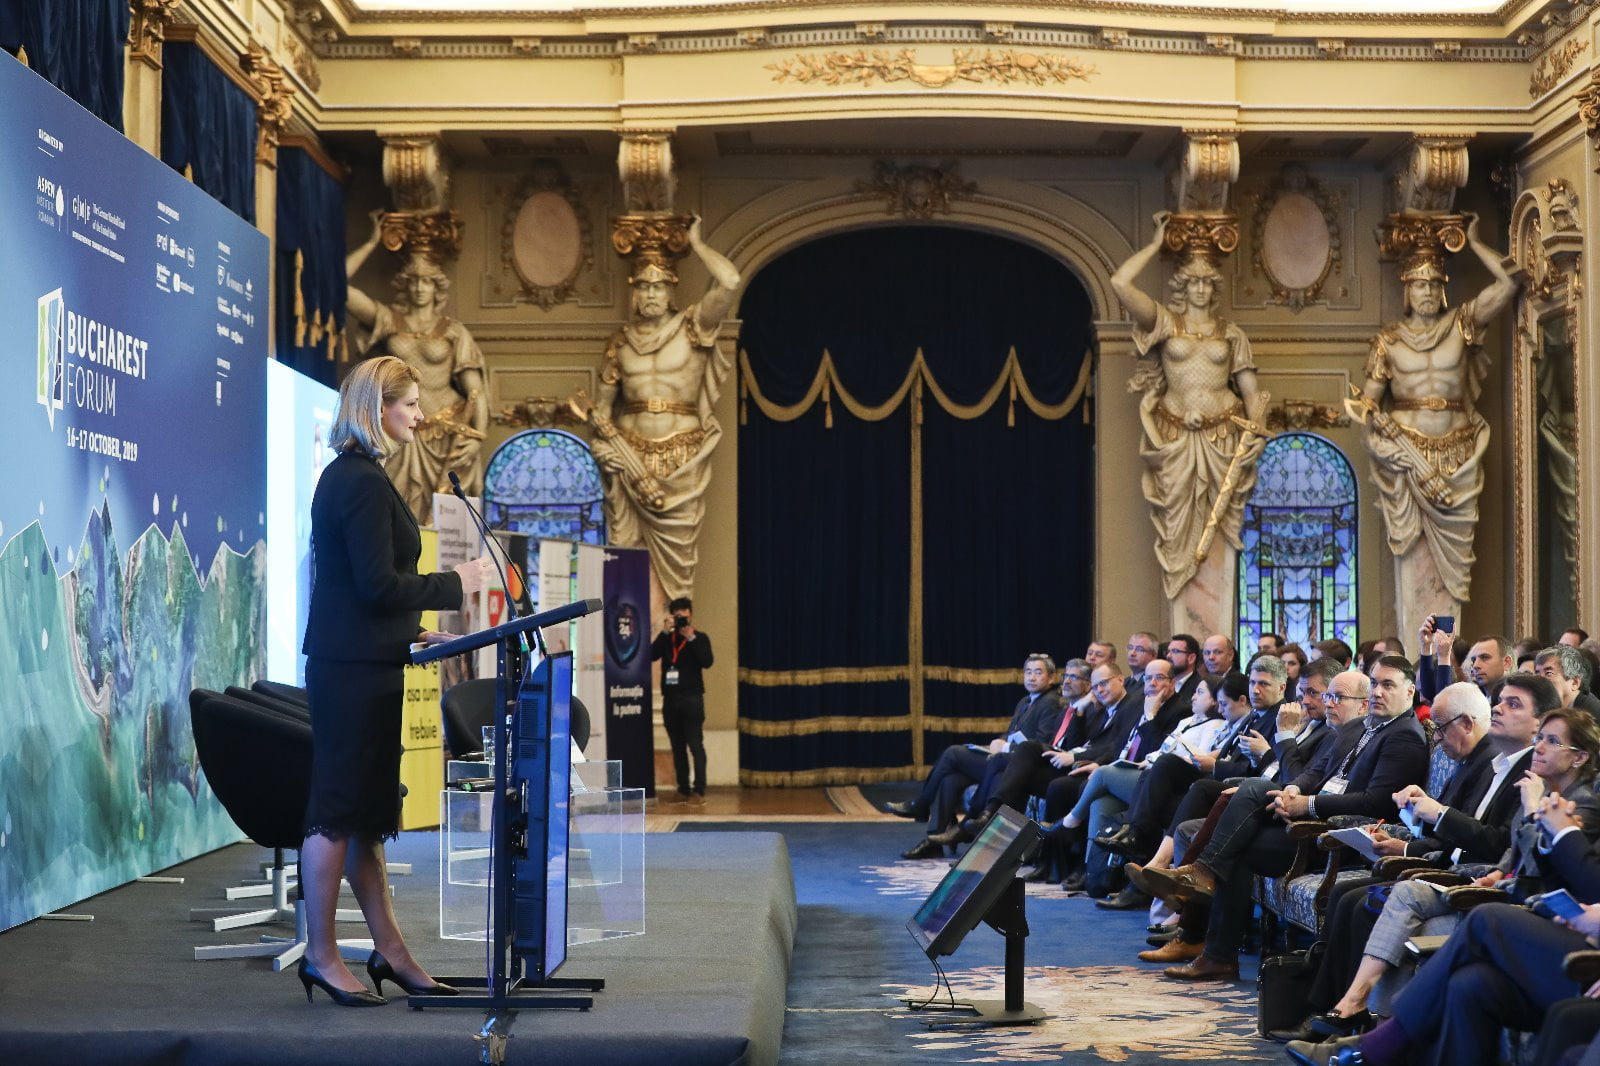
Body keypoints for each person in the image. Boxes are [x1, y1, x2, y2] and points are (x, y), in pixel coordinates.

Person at [298, 355, 496, 1006]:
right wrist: (455, 583)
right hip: (351, 675)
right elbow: (377, 585)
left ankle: (392, 952)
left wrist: (412, 633)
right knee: (337, 812)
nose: (419, 414)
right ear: (376, 409)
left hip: (368, 663)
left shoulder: (361, 476)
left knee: (366, 815)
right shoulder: (356, 481)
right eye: (409, 404)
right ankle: (322, 956)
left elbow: (366, 594)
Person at [1354, 213, 1516, 640]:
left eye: (1433, 284)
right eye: (1419, 284)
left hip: (1458, 453)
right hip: (1408, 456)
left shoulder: (1461, 324)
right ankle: (1420, 656)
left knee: (1456, 567)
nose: (1426, 291)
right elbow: (1369, 403)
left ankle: (1444, 655)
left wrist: (1476, 242)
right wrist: (1376, 433)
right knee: (1412, 556)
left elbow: (1507, 285)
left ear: (1442, 289)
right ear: (1406, 290)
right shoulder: (1388, 341)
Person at [1113, 212, 1268, 634]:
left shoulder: (1231, 334)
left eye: (1207, 283)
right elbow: (1120, 284)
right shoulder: (1167, 323)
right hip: (1176, 438)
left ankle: (1212, 635)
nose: (1201, 289)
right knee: (1179, 531)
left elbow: (1251, 393)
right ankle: (1188, 632)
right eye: (1194, 282)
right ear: (1182, 286)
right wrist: (1154, 245)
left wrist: (1255, 431)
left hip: (1223, 437)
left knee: (1219, 530)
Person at [578, 218, 740, 606]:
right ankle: (628, 637)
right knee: (623, 550)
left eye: (658, 286)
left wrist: (697, 244)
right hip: (628, 456)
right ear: (634, 292)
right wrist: (603, 449)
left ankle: (670, 638)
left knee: (679, 561)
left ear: (671, 292)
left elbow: (730, 282)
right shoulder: (620, 343)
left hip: (681, 458)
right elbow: (602, 411)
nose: (650, 294)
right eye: (643, 286)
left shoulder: (693, 327)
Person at [345, 215, 488, 525]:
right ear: (405, 284)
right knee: (397, 516)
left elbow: (476, 391)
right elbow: (339, 286)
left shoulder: (453, 331)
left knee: (447, 527)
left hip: (447, 436)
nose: (420, 288)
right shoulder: (389, 320)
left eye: (427, 282)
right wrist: (371, 243)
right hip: (400, 434)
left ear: (437, 288)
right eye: (414, 281)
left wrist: (478, 436)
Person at [651, 596, 715, 801]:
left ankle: (699, 789)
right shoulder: (667, 638)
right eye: (677, 617)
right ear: (672, 616)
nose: (681, 621)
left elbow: (707, 661)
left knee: (695, 745)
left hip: (692, 699)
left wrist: (691, 638)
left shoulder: (700, 638)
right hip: (671, 700)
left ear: (691, 615)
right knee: (677, 747)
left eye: (684, 617)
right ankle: (683, 787)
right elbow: (651, 655)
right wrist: (664, 632)